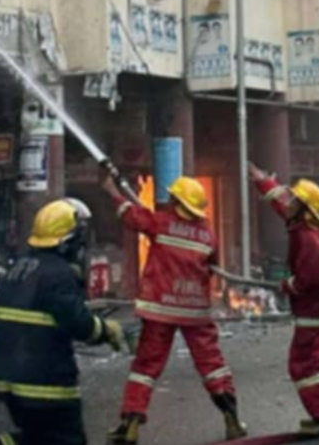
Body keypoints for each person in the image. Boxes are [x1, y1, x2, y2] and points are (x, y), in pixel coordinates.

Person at [103, 174, 246, 444]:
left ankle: (130, 425)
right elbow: (213, 262)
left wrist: (113, 191)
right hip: (195, 311)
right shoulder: (208, 233)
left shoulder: (162, 222)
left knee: (146, 366)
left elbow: (131, 216)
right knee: (212, 365)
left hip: (160, 309)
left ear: (177, 201)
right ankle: (232, 421)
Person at [0, 199, 125, 445]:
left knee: (39, 440)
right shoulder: (59, 274)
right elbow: (80, 325)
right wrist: (108, 331)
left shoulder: (17, 269)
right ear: (67, 243)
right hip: (46, 388)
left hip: (10, 384)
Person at [248, 163, 319, 437]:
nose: (289, 203)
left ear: (304, 209)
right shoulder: (302, 228)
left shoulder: (310, 242)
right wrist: (261, 180)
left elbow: (306, 281)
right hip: (316, 312)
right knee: (317, 366)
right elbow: (280, 204)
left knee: (303, 365)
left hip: (312, 313)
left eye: (295, 201)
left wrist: (285, 285)